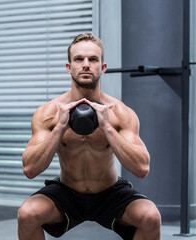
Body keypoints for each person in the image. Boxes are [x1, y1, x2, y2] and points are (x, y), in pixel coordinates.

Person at [17, 32, 161, 240]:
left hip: (109, 192)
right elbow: (30, 170)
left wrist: (108, 128)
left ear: (102, 68)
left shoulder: (121, 113)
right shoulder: (48, 114)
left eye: (93, 59)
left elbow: (142, 169)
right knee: (27, 214)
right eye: (79, 59)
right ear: (69, 67)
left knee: (150, 216)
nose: (86, 65)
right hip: (67, 192)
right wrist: (59, 128)